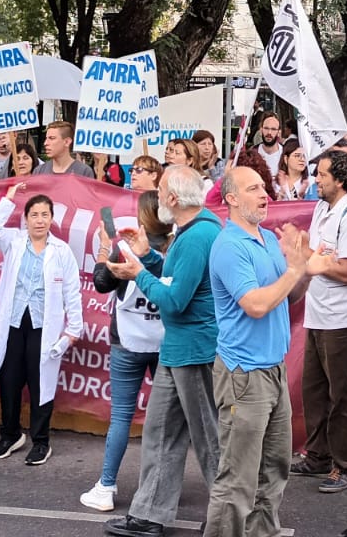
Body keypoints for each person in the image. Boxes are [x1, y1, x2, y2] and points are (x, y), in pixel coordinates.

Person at [103, 167, 222, 537]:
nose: (156, 196)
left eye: (160, 190)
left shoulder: (197, 234)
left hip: (194, 349)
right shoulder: (194, 229)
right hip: (177, 349)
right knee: (160, 432)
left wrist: (138, 272)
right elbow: (175, 278)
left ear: (172, 199)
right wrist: (149, 258)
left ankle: (231, 518)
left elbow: (173, 300)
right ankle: (149, 513)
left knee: (209, 439)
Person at [203, 166, 308, 537]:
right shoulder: (229, 246)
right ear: (231, 199)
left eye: (264, 187)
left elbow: (289, 296)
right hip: (243, 376)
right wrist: (294, 272)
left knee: (275, 468)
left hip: (273, 371)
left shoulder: (264, 237)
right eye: (253, 189)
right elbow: (256, 305)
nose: (264, 194)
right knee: (237, 481)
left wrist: (303, 268)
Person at [0, 182, 86, 463]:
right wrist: (9, 199)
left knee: (41, 382)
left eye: (44, 215)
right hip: (13, 322)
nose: (39, 220)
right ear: (25, 219)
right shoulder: (13, 242)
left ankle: (41, 440)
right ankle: (10, 434)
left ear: (52, 219)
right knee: (10, 380)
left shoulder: (61, 251)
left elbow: (71, 291)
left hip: (43, 325)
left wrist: (74, 328)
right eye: (34, 215)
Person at [290, 149, 347, 495]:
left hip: (343, 317)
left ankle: (344, 463)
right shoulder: (324, 209)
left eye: (323, 175)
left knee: (342, 393)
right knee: (314, 390)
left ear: (339, 179)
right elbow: (317, 258)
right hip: (318, 313)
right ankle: (318, 455)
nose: (317, 180)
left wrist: (310, 257)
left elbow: (346, 271)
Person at [82, 190, 171, 512]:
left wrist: (106, 247)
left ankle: (106, 485)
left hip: (128, 342)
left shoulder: (126, 247)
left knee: (121, 416)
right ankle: (158, 488)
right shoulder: (177, 248)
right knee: (164, 421)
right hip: (165, 342)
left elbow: (102, 283)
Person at [254, 114, 286, 179]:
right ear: (261, 130)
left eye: (273, 129)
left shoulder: (286, 154)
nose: (269, 133)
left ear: (279, 132)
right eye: (266, 128)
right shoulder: (252, 153)